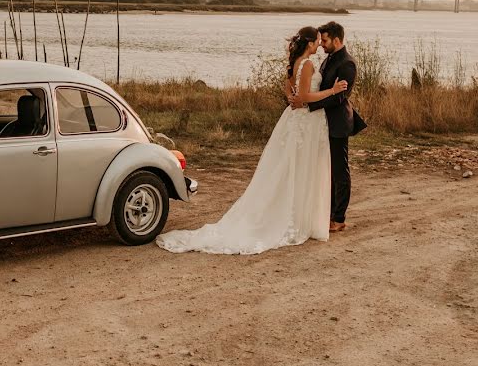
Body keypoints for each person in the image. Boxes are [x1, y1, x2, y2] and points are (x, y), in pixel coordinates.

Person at [156, 26, 345, 255]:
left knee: (291, 169)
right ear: (309, 43)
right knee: (299, 169)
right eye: (316, 41)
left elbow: (291, 92)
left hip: (297, 120)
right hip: (304, 122)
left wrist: (293, 98)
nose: (319, 45)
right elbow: (304, 97)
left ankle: (297, 216)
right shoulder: (307, 65)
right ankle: (296, 219)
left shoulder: (296, 64)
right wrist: (332, 91)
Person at [290, 21, 365, 232]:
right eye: (320, 40)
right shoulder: (327, 59)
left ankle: (339, 218)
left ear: (337, 39)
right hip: (320, 122)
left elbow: (339, 97)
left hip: (338, 122)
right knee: (325, 170)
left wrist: (307, 103)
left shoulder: (347, 64)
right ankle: (326, 213)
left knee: (340, 171)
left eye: (325, 40)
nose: (321, 44)